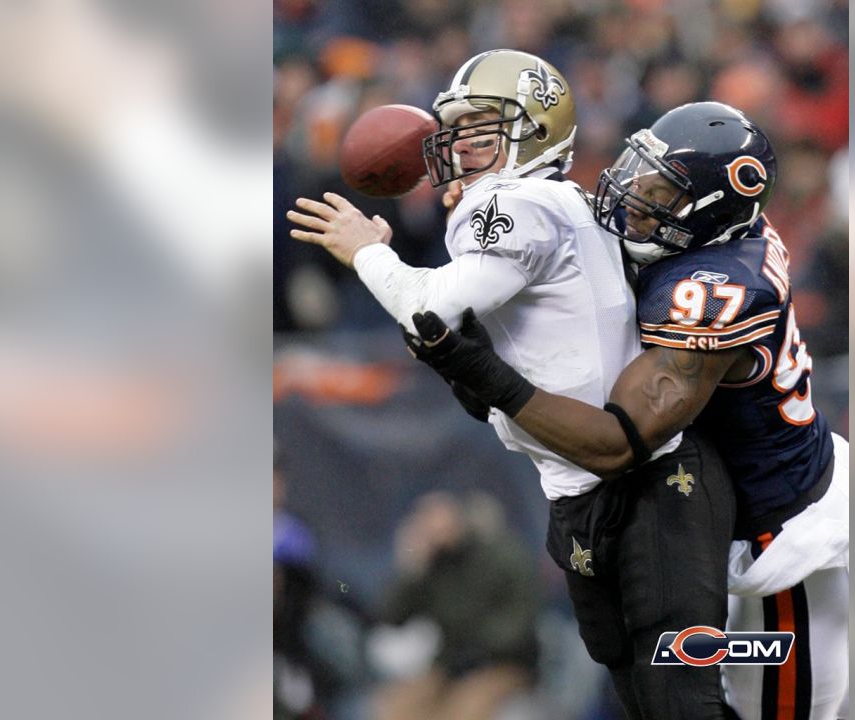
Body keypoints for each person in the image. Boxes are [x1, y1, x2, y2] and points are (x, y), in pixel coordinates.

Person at [287, 50, 739, 719]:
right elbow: (478, 340)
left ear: (534, 129)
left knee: (681, 691)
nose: (457, 141)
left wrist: (366, 252)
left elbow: (430, 307)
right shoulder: (540, 200)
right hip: (583, 484)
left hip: (640, 485)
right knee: (639, 684)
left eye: (479, 124)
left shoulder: (518, 200)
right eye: (457, 125)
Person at [409, 102, 849, 720]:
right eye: (640, 171)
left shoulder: (714, 286)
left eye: (663, 189)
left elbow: (615, 441)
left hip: (782, 542)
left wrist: (482, 371)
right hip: (709, 513)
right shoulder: (694, 234)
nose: (635, 195)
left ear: (712, 211)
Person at [373, 491, 540, 720]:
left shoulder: (500, 555)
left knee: (464, 710)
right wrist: (413, 568)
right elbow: (392, 618)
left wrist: (473, 643)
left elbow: (519, 622)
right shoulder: (432, 565)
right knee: (395, 706)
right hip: (450, 666)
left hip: (503, 664)